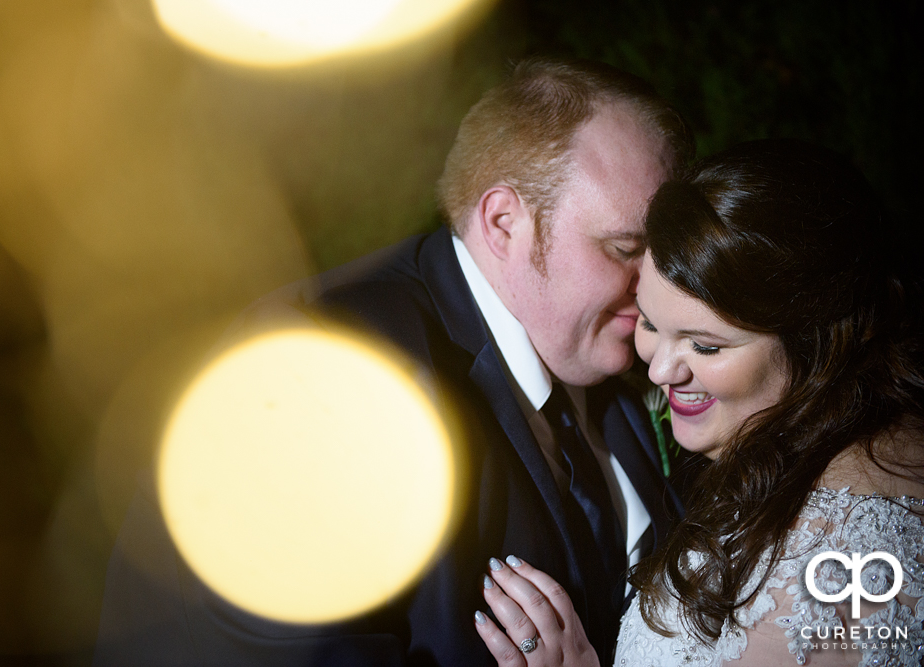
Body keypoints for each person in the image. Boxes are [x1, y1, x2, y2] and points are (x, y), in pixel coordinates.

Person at [93, 59, 696, 665]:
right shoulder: (322, 370)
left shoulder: (629, 364)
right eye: (626, 249)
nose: (656, 286)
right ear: (504, 222)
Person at [474, 139, 924, 666]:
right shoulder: (883, 439)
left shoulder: (819, 575)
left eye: (705, 346)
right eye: (648, 321)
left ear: (816, 340)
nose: (660, 370)